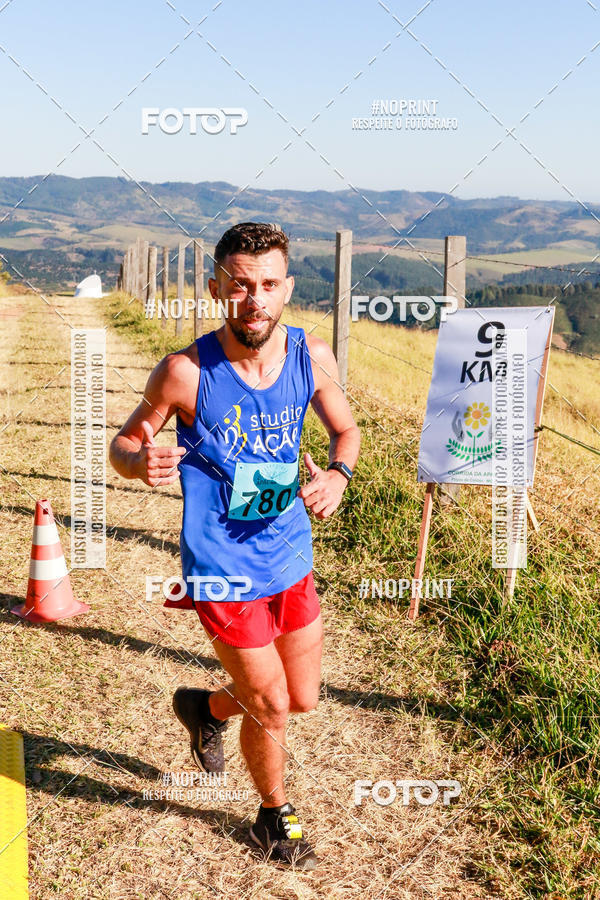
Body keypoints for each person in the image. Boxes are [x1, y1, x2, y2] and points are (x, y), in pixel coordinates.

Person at [109, 222, 360, 870]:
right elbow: (124, 443)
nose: (256, 299)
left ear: (287, 288)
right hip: (221, 567)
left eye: (269, 285)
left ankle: (205, 707)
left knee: (300, 696)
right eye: (242, 285)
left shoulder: (313, 356)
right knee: (272, 703)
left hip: (290, 557)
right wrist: (141, 463)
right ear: (219, 287)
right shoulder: (185, 372)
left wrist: (339, 474)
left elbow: (346, 431)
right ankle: (273, 814)